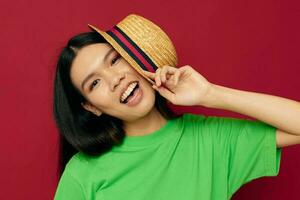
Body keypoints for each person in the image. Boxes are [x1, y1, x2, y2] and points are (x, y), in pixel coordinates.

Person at [53, 14, 300, 200]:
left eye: (115, 60)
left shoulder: (209, 138)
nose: (115, 78)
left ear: (135, 58)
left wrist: (210, 94)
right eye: (95, 83)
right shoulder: (82, 174)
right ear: (91, 107)